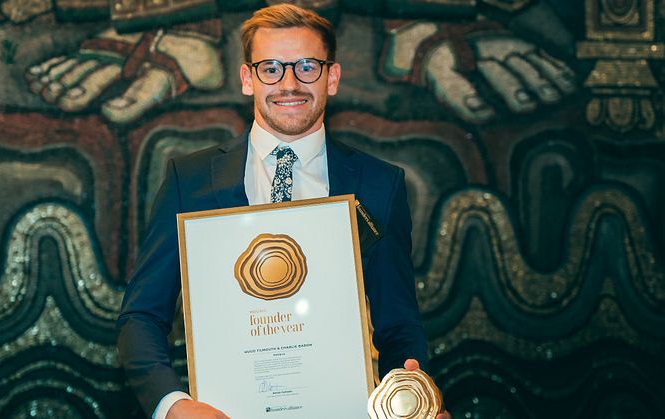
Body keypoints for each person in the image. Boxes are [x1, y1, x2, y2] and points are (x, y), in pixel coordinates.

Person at [117, 4, 449, 418]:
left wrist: (411, 404)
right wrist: (173, 406)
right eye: (271, 67)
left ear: (332, 78)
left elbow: (399, 325)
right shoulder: (190, 180)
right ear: (247, 79)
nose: (289, 83)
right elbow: (141, 316)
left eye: (307, 66)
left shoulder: (381, 185)